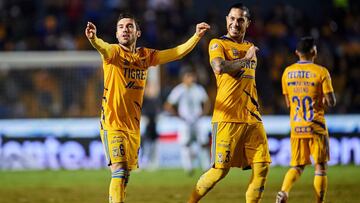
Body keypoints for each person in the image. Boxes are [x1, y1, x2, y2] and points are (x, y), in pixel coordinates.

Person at [85, 13, 210, 203]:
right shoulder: (113, 53)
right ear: (117, 34)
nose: (125, 30)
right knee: (118, 170)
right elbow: (102, 47)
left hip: (132, 126)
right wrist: (93, 38)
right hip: (112, 123)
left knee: (125, 174)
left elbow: (176, 52)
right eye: (121, 27)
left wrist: (196, 36)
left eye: (129, 26)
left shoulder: (146, 56)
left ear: (138, 32)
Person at [187, 3, 271, 203]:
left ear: (247, 23)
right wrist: (245, 59)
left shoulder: (250, 48)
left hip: (252, 118)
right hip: (227, 119)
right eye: (232, 19)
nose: (235, 23)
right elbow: (219, 67)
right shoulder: (218, 44)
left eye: (240, 19)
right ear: (226, 20)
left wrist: (248, 55)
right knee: (219, 171)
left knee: (263, 166)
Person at [276, 37, 336, 203]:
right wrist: (323, 101)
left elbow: (288, 103)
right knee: (321, 167)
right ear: (314, 51)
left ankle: (284, 191)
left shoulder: (287, 72)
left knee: (297, 166)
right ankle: (319, 201)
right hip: (316, 127)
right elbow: (331, 101)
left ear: (297, 53)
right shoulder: (321, 72)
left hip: (297, 127)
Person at [164, 67, 211, 175]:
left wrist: (203, 113)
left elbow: (207, 101)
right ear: (183, 78)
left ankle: (206, 167)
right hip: (184, 122)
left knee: (203, 143)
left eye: (192, 76)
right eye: (189, 76)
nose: (191, 79)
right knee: (185, 144)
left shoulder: (198, 89)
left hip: (197, 120)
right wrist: (178, 116)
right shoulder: (179, 89)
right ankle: (188, 168)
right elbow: (168, 105)